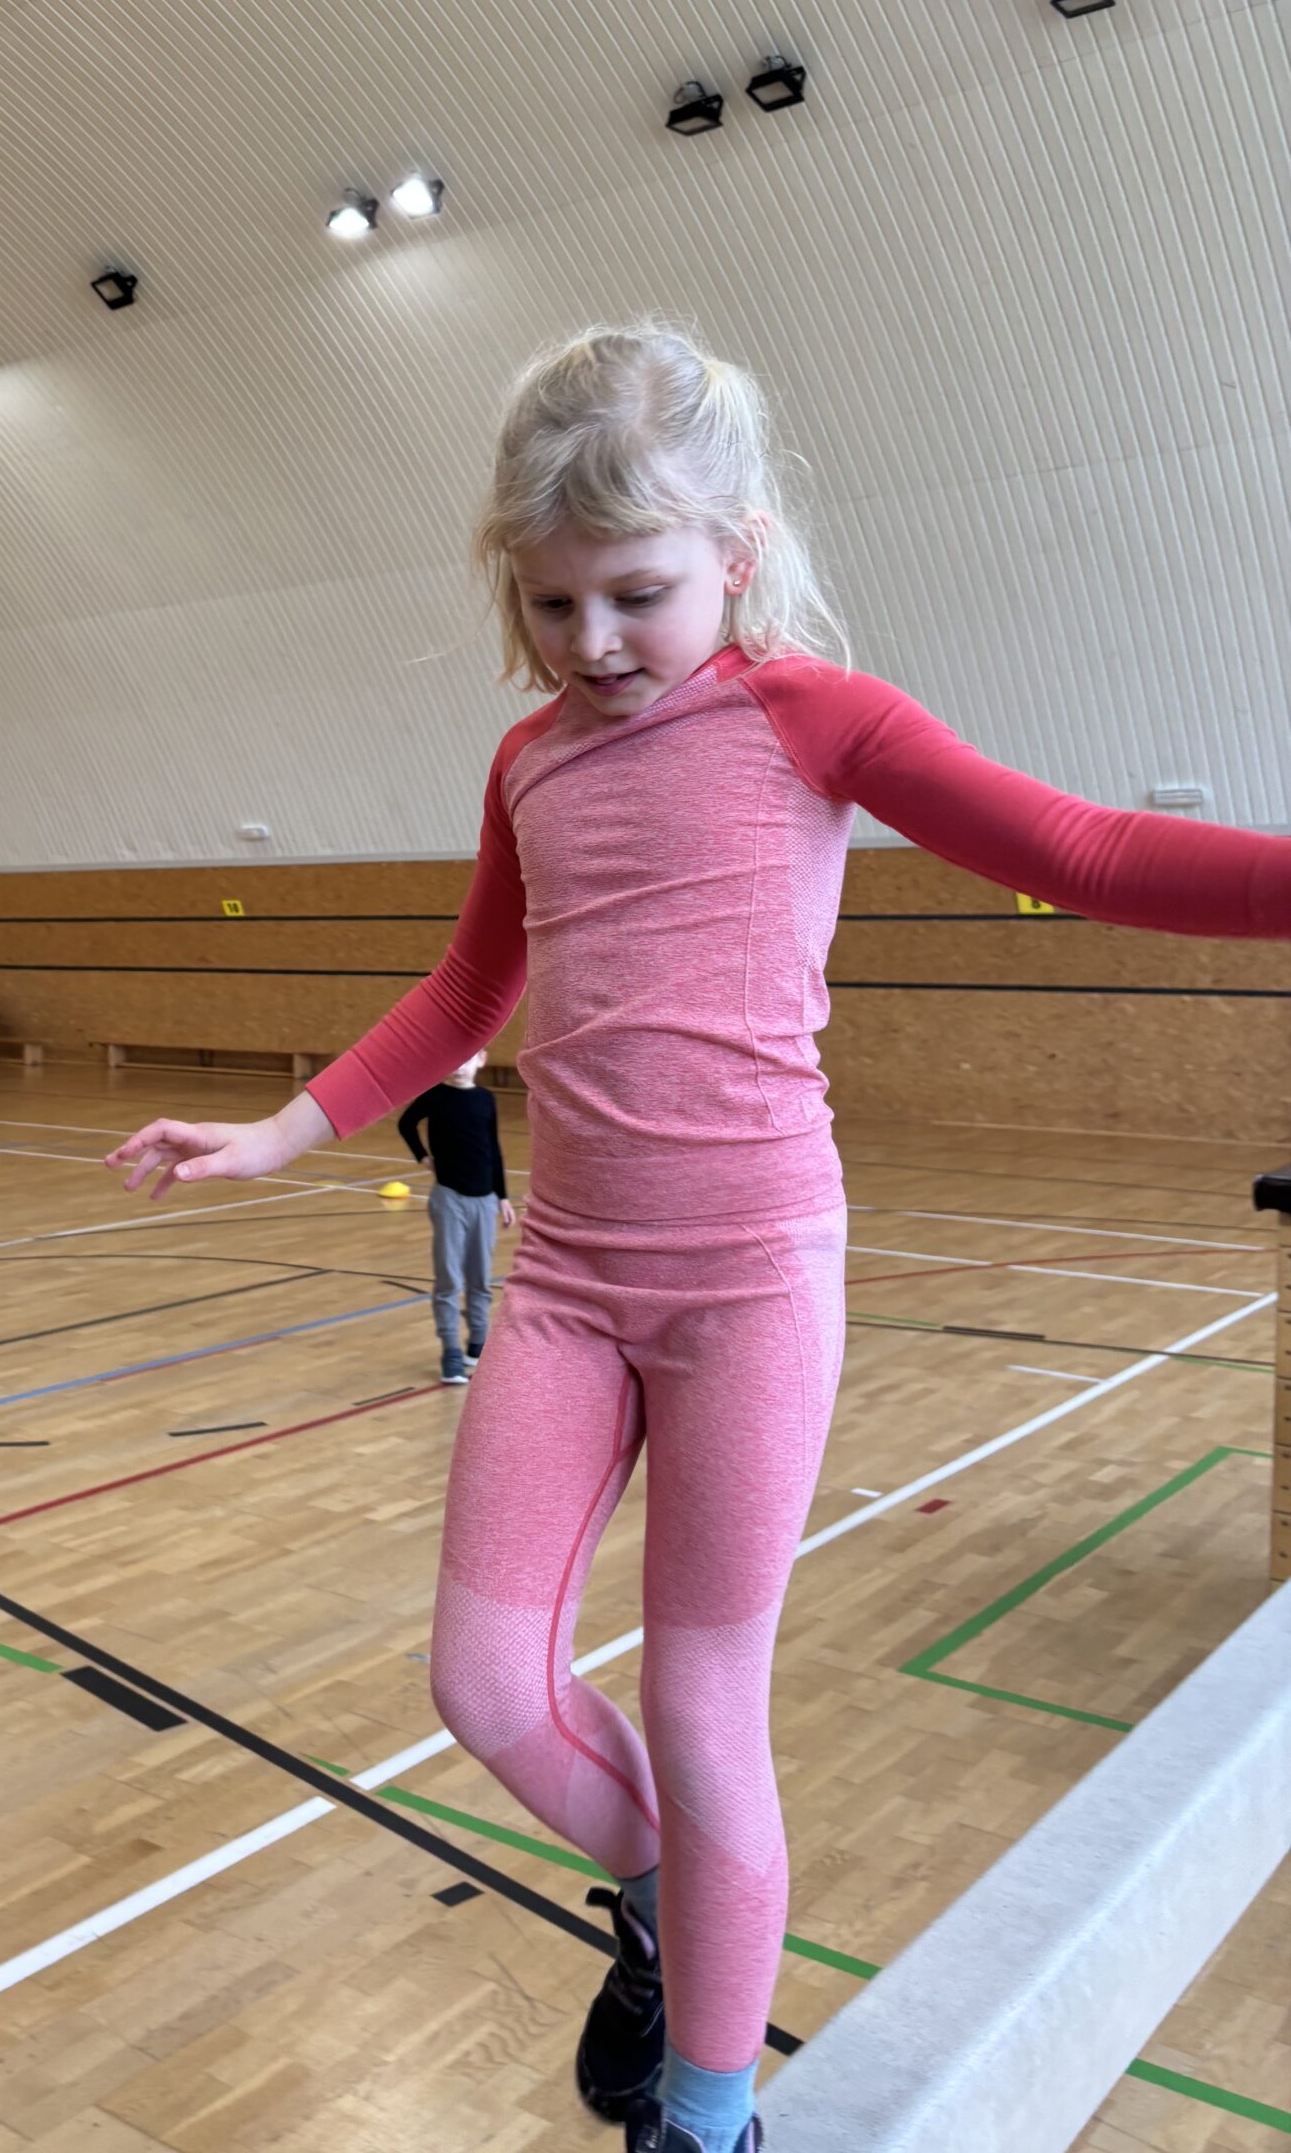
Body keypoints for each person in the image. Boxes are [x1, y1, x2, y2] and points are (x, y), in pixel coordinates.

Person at [106, 322, 1291, 2153]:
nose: (592, 643)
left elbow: (1089, 853)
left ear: (736, 553)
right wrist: (281, 1131)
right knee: (483, 1683)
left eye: (636, 595)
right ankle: (667, 1910)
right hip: (568, 1288)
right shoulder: (528, 766)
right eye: (553, 601)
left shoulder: (818, 719)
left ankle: (710, 2114)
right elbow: (469, 989)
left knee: (702, 1702)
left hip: (751, 1285)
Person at [398, 1051, 515, 1384]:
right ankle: (450, 1350)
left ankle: (477, 1344)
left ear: (481, 1060)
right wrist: (423, 1158)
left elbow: (493, 1149)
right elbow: (406, 1124)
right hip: (449, 1199)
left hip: (484, 1201)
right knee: (449, 1278)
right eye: (454, 1059)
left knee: (480, 1278)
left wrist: (502, 1196)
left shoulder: (486, 1099)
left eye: (467, 1059)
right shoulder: (435, 1096)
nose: (459, 1066)